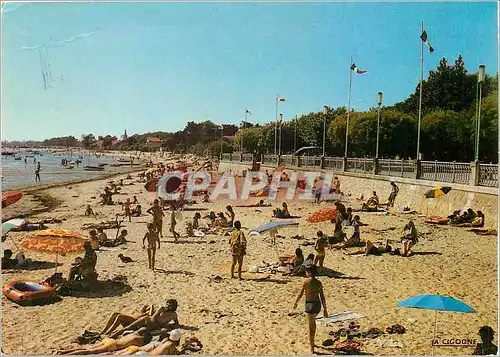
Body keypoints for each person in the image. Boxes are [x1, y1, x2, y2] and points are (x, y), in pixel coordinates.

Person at [293, 265, 328, 354]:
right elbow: (322, 297)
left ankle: (312, 348)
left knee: (309, 327)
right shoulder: (319, 283)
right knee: (313, 322)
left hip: (309, 305)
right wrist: (325, 309)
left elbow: (300, 294)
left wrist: (296, 302)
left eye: (306, 272)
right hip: (317, 305)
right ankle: (313, 343)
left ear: (309, 273)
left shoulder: (306, 282)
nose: (305, 273)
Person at [109, 299, 179, 339]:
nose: (167, 306)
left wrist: (168, 326)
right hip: (150, 321)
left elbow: (176, 323)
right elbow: (153, 318)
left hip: (153, 325)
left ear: (173, 307)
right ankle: (110, 336)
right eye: (167, 304)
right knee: (128, 327)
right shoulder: (162, 309)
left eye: (169, 305)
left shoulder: (174, 315)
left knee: (135, 331)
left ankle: (112, 335)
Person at [55, 327, 152, 355]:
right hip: (114, 345)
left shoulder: (133, 334)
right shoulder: (140, 341)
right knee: (88, 352)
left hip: (110, 340)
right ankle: (65, 354)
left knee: (86, 348)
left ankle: (62, 351)